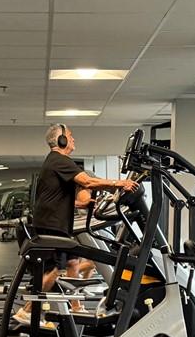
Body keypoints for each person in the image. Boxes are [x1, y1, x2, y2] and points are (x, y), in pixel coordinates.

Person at [30, 124, 137, 292]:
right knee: (56, 270)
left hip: (54, 223)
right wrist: (120, 183)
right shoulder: (59, 160)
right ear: (62, 140)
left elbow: (57, 196)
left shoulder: (55, 161)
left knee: (72, 263)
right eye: (70, 136)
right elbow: (88, 182)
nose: (73, 139)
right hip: (51, 225)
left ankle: (75, 304)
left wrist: (83, 203)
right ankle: (29, 306)